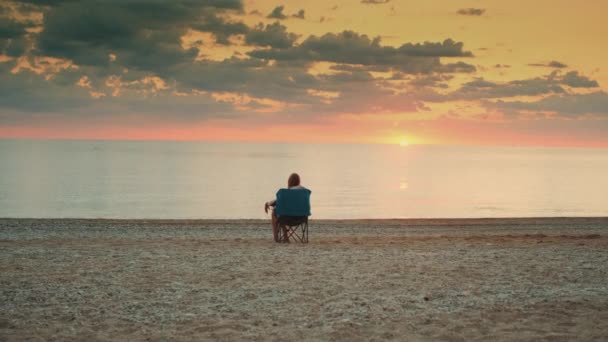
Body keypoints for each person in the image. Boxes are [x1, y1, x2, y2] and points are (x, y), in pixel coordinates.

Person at [265, 173, 308, 242]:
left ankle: (278, 238)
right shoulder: (305, 191)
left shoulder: (288, 192)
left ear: (290, 182)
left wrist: (267, 204)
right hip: (302, 218)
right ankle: (285, 237)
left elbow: (277, 201)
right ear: (298, 181)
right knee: (281, 213)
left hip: (288, 219)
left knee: (275, 212)